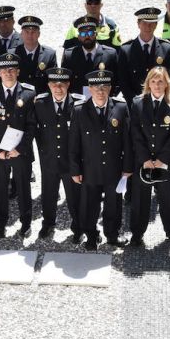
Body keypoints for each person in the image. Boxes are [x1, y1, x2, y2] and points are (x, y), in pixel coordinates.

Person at [69, 70, 132, 250]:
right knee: (89, 204)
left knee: (114, 204)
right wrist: (75, 170)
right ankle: (91, 235)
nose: (100, 91)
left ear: (110, 88)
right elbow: (74, 143)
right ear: (90, 89)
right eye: (96, 87)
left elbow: (127, 140)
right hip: (90, 168)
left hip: (114, 167)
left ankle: (112, 234)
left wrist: (127, 167)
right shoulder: (79, 110)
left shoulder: (120, 107)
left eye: (104, 87)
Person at [0, 53, 37, 238]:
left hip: (20, 152)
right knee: (0, 188)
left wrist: (18, 149)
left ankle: (26, 223)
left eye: (12, 69)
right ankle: (0, 223)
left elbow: (31, 126)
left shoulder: (29, 94)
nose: (8, 73)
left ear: (18, 71)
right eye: (5, 70)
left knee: (23, 188)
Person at [129, 66, 170, 247]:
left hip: (166, 162)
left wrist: (161, 160)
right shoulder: (137, 103)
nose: (157, 85)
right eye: (153, 81)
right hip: (143, 162)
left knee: (168, 199)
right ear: (148, 83)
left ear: (167, 83)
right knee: (140, 199)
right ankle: (137, 233)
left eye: (161, 81)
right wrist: (145, 159)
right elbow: (135, 133)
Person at [33, 67, 84, 240]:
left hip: (71, 162)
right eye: (54, 84)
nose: (58, 88)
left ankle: (78, 227)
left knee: (74, 197)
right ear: (48, 85)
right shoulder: (40, 104)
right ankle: (48, 223)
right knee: (48, 195)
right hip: (49, 160)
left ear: (68, 84)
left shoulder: (78, 104)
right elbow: (35, 130)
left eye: (62, 84)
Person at [118, 7, 170, 106]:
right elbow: (123, 81)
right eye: (144, 23)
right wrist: (136, 103)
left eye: (152, 23)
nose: (148, 27)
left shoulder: (166, 48)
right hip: (134, 104)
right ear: (138, 24)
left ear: (156, 25)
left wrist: (160, 98)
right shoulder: (126, 50)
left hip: (160, 102)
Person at [62, 16, 119, 96]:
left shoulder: (110, 54)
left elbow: (117, 81)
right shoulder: (69, 55)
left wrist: (108, 99)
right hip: (78, 103)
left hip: (102, 102)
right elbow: (64, 82)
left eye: (90, 33)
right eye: (83, 33)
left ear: (96, 34)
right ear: (78, 37)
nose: (87, 36)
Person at [10, 16, 58, 94]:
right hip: (18, 99)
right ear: (21, 34)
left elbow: (52, 82)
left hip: (40, 100)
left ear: (39, 34)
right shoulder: (12, 54)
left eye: (33, 32)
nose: (30, 35)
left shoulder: (49, 55)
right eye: (27, 32)